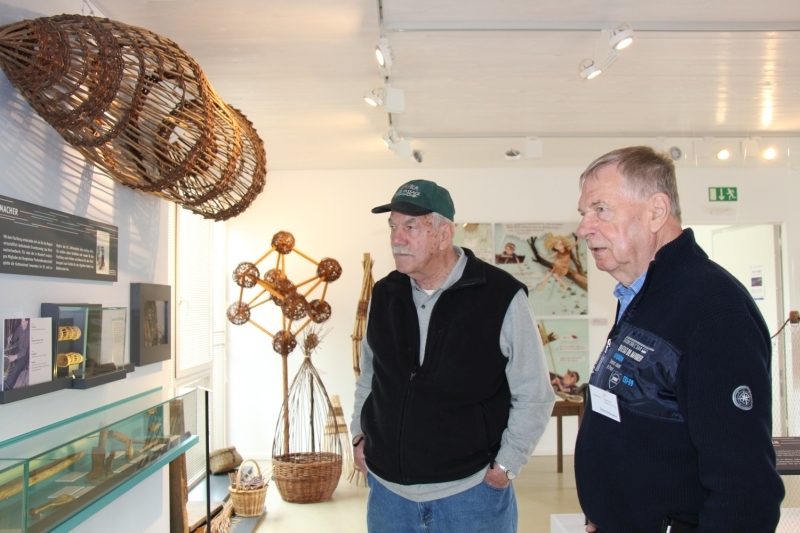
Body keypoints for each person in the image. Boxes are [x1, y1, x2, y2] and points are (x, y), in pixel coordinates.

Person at [574, 146, 784, 533]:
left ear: (656, 211)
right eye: (584, 212)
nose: (583, 228)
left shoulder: (713, 312)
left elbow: (745, 490)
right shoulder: (642, 296)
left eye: (601, 209)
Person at [351, 179, 555, 533]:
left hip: (470, 496)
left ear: (444, 235)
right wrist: (359, 433)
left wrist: (506, 465)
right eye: (393, 226)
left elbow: (534, 392)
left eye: (411, 227)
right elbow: (370, 376)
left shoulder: (501, 296)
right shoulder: (384, 294)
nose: (397, 238)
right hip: (388, 497)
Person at [4, 318, 30, 389]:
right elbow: (14, 338)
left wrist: (14, 357)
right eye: (21, 321)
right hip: (18, 349)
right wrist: (11, 339)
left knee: (17, 368)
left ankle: (6, 386)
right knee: (6, 355)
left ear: (27, 322)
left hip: (25, 355)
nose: (21, 323)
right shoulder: (19, 328)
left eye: (23, 321)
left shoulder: (30, 332)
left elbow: (24, 351)